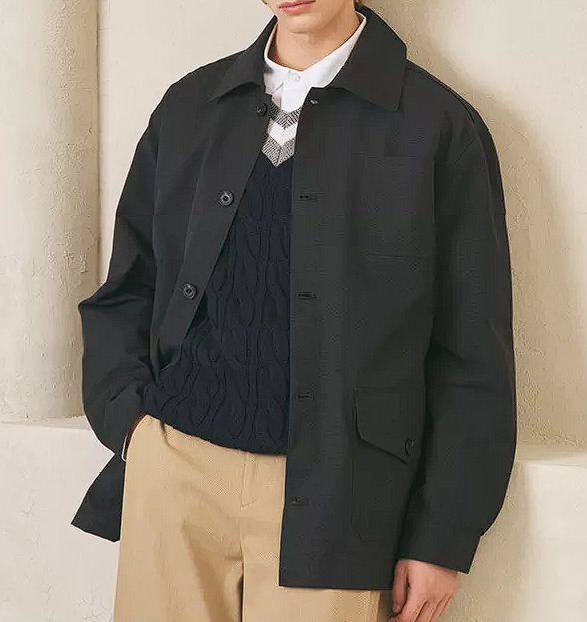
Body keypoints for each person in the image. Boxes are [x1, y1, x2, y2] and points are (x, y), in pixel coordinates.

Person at [71, 1, 517, 621]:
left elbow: (472, 350)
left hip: (339, 499)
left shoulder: (436, 125)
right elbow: (129, 286)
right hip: (174, 473)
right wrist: (132, 428)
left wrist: (444, 534)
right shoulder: (190, 106)